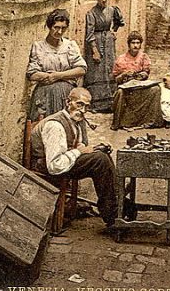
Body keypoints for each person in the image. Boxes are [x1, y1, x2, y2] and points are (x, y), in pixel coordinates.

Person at [30, 87, 118, 230]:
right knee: (100, 160)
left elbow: (77, 146)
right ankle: (113, 217)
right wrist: (80, 151)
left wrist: (95, 148)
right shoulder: (55, 125)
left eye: (87, 107)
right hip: (47, 166)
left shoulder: (75, 121)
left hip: (64, 160)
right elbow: (54, 165)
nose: (83, 110)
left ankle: (116, 206)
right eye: (79, 104)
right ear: (68, 102)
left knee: (102, 154)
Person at [26, 9, 87, 121]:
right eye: (56, 27)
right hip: (46, 94)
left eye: (63, 28)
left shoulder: (70, 46)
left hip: (67, 94)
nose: (59, 32)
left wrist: (58, 76)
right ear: (49, 27)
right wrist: (48, 77)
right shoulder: (38, 47)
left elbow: (81, 69)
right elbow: (32, 74)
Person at [83, 0, 125, 113]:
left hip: (108, 42)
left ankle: (110, 102)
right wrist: (94, 50)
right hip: (96, 42)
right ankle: (96, 104)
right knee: (97, 71)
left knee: (109, 69)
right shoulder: (91, 13)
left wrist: (113, 31)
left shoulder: (112, 10)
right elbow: (89, 34)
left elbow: (119, 21)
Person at [110, 31, 162, 129]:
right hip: (127, 89)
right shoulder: (121, 59)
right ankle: (119, 122)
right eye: (133, 43)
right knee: (120, 92)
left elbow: (146, 73)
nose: (135, 46)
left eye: (138, 43)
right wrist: (124, 74)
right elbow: (116, 79)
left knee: (156, 89)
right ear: (129, 44)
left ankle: (150, 120)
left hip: (140, 87)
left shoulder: (143, 57)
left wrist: (141, 75)